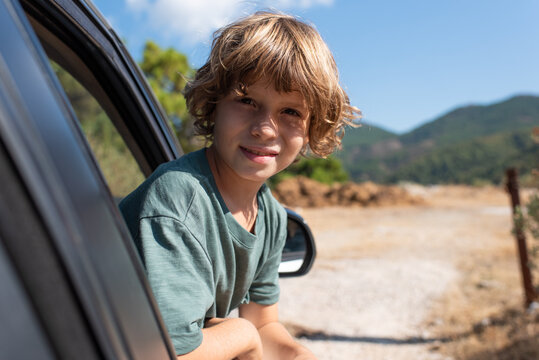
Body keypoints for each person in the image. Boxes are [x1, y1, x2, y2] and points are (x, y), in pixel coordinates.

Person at [120, 11, 360, 360]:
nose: (265, 128)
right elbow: (165, 353)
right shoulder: (177, 201)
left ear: (312, 128)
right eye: (247, 101)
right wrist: (241, 334)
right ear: (214, 103)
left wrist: (295, 354)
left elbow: (263, 324)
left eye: (291, 112)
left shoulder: (273, 217)